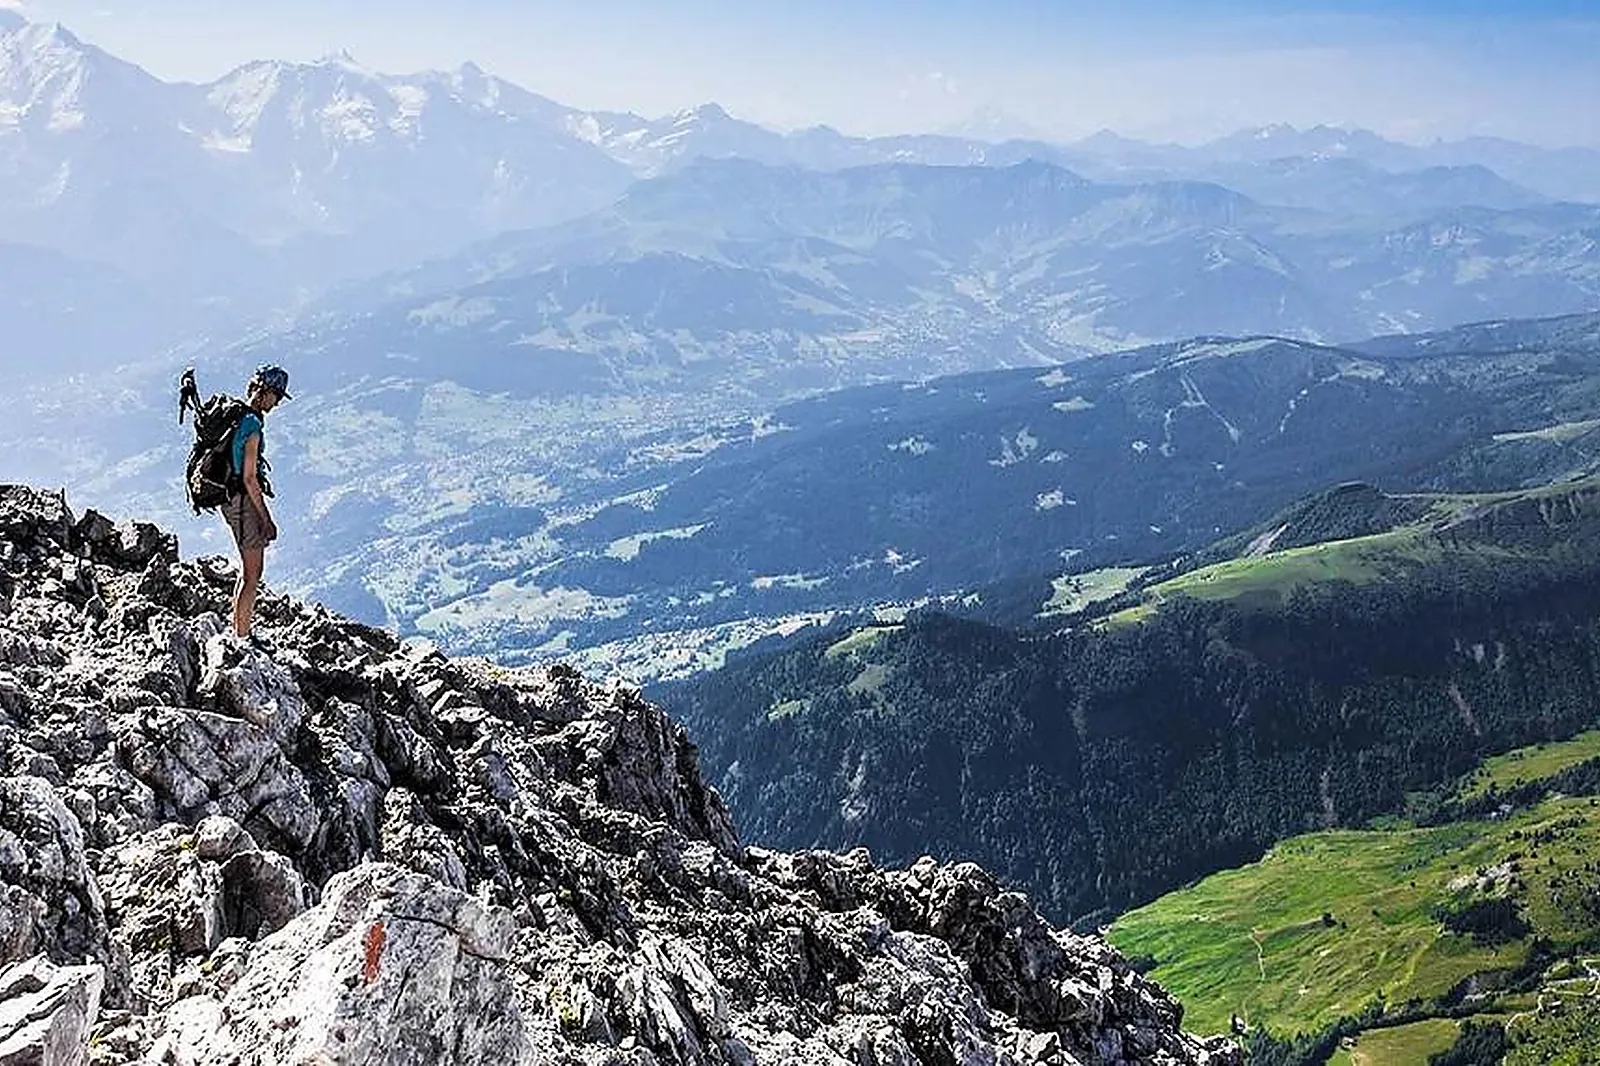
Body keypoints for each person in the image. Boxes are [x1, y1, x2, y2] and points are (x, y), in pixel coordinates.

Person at [224, 364, 291, 640]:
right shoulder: (252, 426)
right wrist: (266, 519)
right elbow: (250, 478)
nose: (276, 404)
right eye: (277, 396)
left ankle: (238, 628)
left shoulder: (238, 415)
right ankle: (241, 637)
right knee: (254, 574)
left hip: (231, 499)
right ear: (266, 392)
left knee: (247, 570)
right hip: (243, 501)